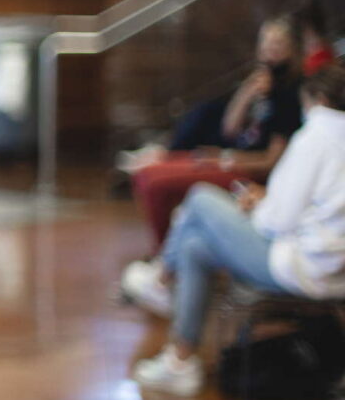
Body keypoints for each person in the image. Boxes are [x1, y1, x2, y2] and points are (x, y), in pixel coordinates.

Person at [126, 64, 345, 395]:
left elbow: (277, 222)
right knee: (195, 245)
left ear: (316, 98)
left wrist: (256, 206)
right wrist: (267, 200)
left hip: (305, 267)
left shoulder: (316, 136)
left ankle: (160, 278)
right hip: (329, 265)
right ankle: (179, 360)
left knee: (200, 198)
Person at [126, 16, 305, 244]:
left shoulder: (290, 94)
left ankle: (164, 255)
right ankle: (168, 252)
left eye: (277, 44)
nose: (269, 50)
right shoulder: (261, 85)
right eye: (265, 43)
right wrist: (246, 93)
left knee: (154, 185)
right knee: (143, 173)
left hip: (246, 171)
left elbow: (271, 162)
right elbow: (229, 129)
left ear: (292, 50)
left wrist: (226, 158)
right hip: (226, 157)